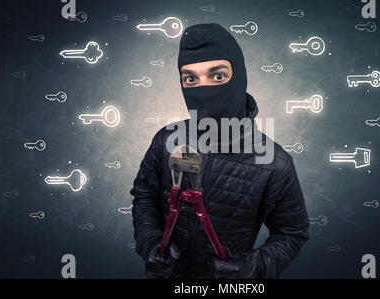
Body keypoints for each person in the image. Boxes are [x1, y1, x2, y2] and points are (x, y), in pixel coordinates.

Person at [130, 23, 309, 279]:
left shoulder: (275, 163)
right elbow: (145, 195)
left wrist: (253, 267)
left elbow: (292, 232)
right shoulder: (166, 140)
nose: (204, 89)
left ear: (239, 77)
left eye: (217, 76)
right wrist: (149, 242)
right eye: (191, 78)